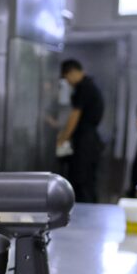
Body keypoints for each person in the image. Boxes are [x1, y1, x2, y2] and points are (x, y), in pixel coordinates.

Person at [57, 59, 105, 203]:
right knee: (87, 181)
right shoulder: (90, 85)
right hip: (90, 139)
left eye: (66, 78)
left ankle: (85, 219)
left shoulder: (83, 88)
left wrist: (62, 139)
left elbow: (75, 117)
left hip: (86, 141)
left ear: (72, 73)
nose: (68, 82)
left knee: (82, 181)